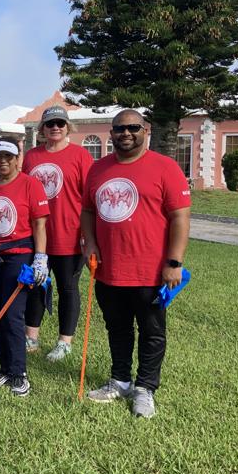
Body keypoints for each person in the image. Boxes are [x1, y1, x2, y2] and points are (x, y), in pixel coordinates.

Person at [81, 109, 190, 418]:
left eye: (133, 128)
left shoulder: (165, 167)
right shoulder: (98, 169)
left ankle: (145, 388)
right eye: (119, 128)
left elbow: (180, 216)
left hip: (151, 270)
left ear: (146, 130)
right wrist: (89, 242)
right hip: (108, 269)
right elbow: (88, 211)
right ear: (111, 132)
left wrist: (174, 261)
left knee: (152, 331)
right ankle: (119, 380)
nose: (126, 133)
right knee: (117, 328)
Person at [0, 137, 49, 396]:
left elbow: (39, 224)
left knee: (12, 313)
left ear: (17, 159)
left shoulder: (30, 184)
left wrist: (40, 258)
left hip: (19, 255)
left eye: (8, 157)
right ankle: (4, 368)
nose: (3, 161)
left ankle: (19, 372)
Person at [21, 105, 94, 361]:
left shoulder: (80, 156)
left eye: (60, 124)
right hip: (37, 235)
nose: (55, 128)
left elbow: (89, 198)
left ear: (67, 128)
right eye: (50, 123)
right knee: (34, 285)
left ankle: (65, 341)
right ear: (42, 129)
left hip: (70, 235)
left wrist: (88, 235)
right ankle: (31, 336)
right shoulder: (31, 157)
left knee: (68, 288)